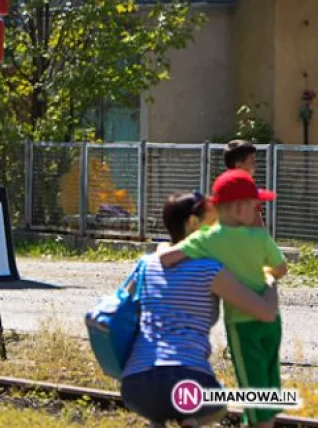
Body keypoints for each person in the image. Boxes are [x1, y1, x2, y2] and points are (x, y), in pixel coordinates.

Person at [121, 191, 279, 427]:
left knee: (164, 403)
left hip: (136, 383)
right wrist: (270, 278)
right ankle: (189, 418)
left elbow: (122, 303)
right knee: (217, 404)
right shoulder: (209, 269)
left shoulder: (146, 264)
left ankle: (168, 419)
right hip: (189, 377)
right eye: (212, 220)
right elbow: (265, 312)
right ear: (194, 224)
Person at [160, 170, 288, 427]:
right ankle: (267, 420)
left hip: (242, 323)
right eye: (256, 205)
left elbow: (167, 258)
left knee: (251, 379)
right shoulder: (260, 236)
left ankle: (257, 422)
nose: (258, 210)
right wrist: (265, 275)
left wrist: (164, 250)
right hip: (272, 322)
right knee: (270, 372)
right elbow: (281, 268)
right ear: (241, 207)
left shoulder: (208, 239)